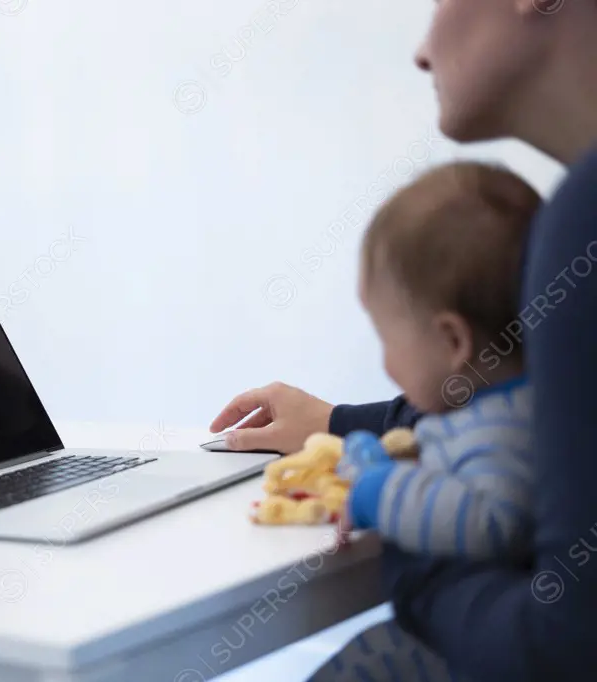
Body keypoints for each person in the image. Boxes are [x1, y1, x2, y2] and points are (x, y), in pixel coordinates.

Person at [209, 1, 597, 679]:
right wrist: (335, 422)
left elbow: (566, 641)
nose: (420, 49)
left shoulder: (581, 228)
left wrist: (407, 542)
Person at [317, 160, 539, 681]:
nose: (385, 364)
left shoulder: (505, 428)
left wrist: (379, 492)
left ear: (452, 342)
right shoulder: (494, 410)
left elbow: (491, 519)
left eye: (388, 339)